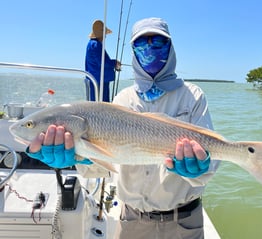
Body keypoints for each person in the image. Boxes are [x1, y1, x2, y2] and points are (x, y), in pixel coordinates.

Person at [26, 17, 220, 239]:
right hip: (133, 221)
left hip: (185, 222)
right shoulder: (122, 99)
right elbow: (106, 166)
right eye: (141, 45)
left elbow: (211, 161)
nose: (150, 49)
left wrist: (201, 167)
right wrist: (79, 158)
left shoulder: (193, 96)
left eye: (157, 42)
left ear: (170, 47)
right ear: (133, 52)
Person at [85, 19, 121, 102]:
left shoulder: (92, 44)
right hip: (99, 80)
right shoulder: (96, 45)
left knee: (98, 103)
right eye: (104, 34)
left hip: (97, 79)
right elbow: (102, 62)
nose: (105, 36)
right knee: (101, 104)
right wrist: (115, 63)